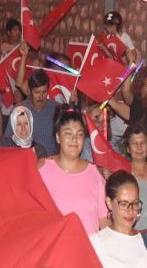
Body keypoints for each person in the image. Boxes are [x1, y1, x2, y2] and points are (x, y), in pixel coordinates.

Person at [38, 105, 108, 235]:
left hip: (88, 251)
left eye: (79, 135)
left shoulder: (95, 174)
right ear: (58, 137)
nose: (74, 140)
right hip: (55, 252)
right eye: (68, 134)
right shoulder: (42, 169)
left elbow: (104, 224)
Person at [89, 170, 147, 267]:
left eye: (135, 203)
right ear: (109, 202)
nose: (130, 210)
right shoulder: (95, 242)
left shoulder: (144, 240)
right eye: (124, 204)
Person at [9, 59, 58, 156]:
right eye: (37, 92)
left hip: (49, 165)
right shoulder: (19, 110)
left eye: (44, 92)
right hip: (26, 163)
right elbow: (8, 141)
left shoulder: (56, 108)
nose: (41, 97)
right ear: (29, 90)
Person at [122, 123, 147, 245]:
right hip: (134, 235)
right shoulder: (122, 174)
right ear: (128, 148)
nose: (139, 147)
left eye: (142, 143)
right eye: (134, 143)